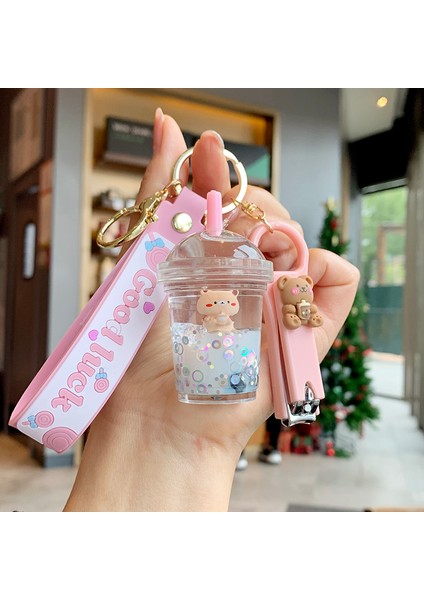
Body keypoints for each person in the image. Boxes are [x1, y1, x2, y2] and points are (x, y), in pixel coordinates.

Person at [63, 109, 359, 512]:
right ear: (202, 297)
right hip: (193, 377)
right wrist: (139, 424)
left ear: (235, 299)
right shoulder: (185, 315)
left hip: (227, 377)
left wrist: (189, 446)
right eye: (213, 299)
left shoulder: (239, 308)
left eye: (228, 299)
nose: (221, 302)